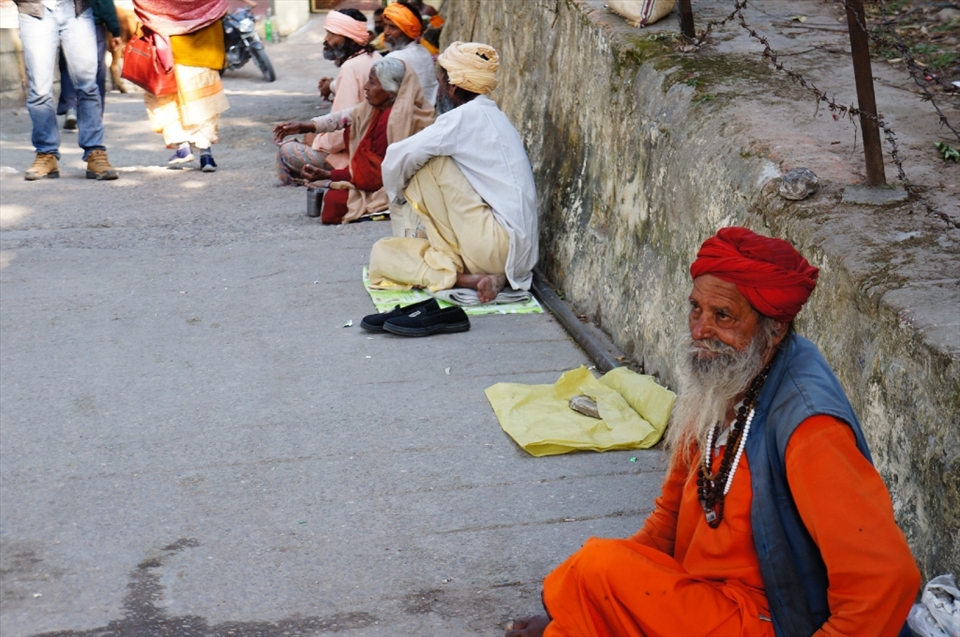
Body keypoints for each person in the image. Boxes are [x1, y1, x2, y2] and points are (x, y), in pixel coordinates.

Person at [504, 227, 921, 637]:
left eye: (723, 316)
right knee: (598, 573)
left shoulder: (809, 427)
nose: (701, 331)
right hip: (709, 597)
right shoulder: (722, 380)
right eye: (696, 309)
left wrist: (595, 589)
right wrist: (584, 606)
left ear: (773, 329)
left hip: (769, 619)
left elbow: (886, 580)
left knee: (597, 565)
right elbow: (667, 523)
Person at [367, 41, 537, 304]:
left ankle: (460, 276)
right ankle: (480, 276)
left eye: (440, 82)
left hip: (491, 243)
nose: (440, 91)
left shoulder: (464, 117)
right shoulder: (494, 116)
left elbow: (398, 157)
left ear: (453, 86)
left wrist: (398, 197)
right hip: (518, 255)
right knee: (384, 252)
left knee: (428, 163)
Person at [274, 58, 432, 225]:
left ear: (390, 91)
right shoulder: (376, 107)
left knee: (334, 203)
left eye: (372, 82)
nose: (366, 87)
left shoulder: (396, 120)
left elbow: (379, 175)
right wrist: (304, 126)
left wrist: (330, 177)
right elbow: (341, 118)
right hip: (370, 177)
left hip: (390, 185)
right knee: (334, 200)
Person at [15, 0, 119, 180]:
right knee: (39, 91)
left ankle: (95, 152)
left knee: (88, 85)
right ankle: (46, 154)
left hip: (77, 10)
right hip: (34, 10)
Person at [275, 9, 379, 185]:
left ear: (349, 38)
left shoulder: (350, 68)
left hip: (356, 152)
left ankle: (319, 178)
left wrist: (317, 140)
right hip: (372, 146)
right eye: (327, 33)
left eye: (333, 34)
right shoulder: (374, 57)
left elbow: (342, 129)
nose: (326, 39)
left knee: (286, 150)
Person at [133, 0, 230, 173]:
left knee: (169, 96)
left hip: (169, 45)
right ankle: (206, 153)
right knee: (202, 100)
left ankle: (183, 146)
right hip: (205, 43)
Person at [56, 0, 121, 130]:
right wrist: (115, 30)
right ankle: (93, 115)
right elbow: (105, 4)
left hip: (65, 23)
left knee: (67, 67)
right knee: (96, 70)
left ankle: (71, 107)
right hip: (93, 25)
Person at [380, 0, 438, 105]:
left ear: (407, 30)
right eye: (385, 26)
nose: (386, 32)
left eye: (392, 27)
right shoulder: (423, 51)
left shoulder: (395, 58)